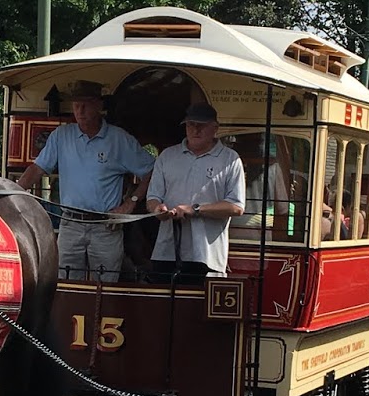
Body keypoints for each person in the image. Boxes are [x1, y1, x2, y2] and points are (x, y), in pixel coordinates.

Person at [17, 80, 154, 282]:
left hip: (105, 226)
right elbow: (37, 168)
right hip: (70, 224)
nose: (80, 110)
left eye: (86, 104)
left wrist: (129, 203)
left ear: (100, 106)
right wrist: (14, 193)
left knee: (105, 286)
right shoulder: (61, 136)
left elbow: (152, 170)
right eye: (76, 104)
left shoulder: (118, 139)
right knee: (66, 285)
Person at [145, 103, 245, 279]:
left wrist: (195, 210)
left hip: (207, 255)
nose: (195, 130)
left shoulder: (230, 159)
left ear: (215, 128)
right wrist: (157, 210)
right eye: (191, 124)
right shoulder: (168, 156)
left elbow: (236, 207)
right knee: (163, 305)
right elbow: (152, 197)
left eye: (202, 125)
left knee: (200, 306)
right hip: (167, 252)